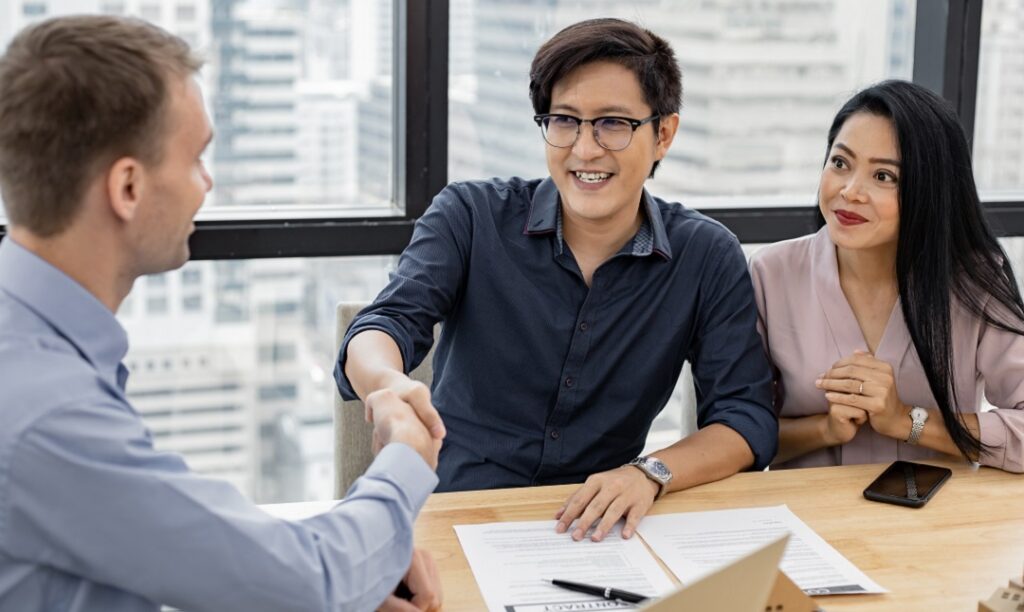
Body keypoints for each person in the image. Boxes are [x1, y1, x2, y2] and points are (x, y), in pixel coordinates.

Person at [0, 15, 444, 611]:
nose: (206, 185)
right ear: (127, 187)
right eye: (196, 160)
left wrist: (356, 571)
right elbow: (306, 581)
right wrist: (403, 463)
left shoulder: (34, 345)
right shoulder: (44, 409)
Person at [336, 17, 777, 544]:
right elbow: (385, 323)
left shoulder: (706, 254)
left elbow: (746, 417)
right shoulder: (470, 216)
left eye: (613, 124)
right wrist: (387, 383)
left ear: (663, 134)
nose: (585, 149)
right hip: (451, 520)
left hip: (595, 532)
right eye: (564, 121)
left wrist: (649, 472)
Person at [750, 79, 1024, 472]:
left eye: (884, 177)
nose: (850, 191)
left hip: (936, 524)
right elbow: (734, 436)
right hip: (807, 521)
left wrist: (907, 421)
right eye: (840, 163)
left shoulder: (973, 280)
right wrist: (826, 429)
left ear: (930, 191)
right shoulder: (771, 274)